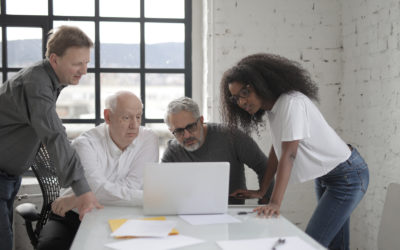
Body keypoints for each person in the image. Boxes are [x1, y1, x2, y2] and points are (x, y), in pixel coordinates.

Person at [219, 53, 369, 250]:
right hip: (328, 176)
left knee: (311, 244)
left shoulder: (291, 103)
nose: (241, 102)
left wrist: (274, 203)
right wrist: (263, 190)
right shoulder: (274, 108)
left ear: (260, 83)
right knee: (334, 245)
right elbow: (278, 148)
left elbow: (289, 155)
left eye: (245, 93)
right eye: (235, 98)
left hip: (347, 176)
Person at [0, 25, 103, 250]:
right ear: (54, 59)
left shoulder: (49, 81)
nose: (84, 70)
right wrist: (82, 190)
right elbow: (55, 134)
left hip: (9, 177)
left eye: (86, 62)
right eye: (77, 63)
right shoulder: (35, 83)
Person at [36, 91, 159, 250]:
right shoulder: (85, 144)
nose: (134, 126)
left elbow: (132, 185)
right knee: (50, 246)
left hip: (122, 214)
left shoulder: (148, 139)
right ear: (108, 117)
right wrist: (149, 198)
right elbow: (97, 189)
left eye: (138, 116)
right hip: (73, 215)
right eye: (126, 118)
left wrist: (78, 196)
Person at [162, 96, 274, 204]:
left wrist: (264, 199)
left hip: (231, 212)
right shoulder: (173, 151)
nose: (186, 135)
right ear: (171, 130)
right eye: (178, 131)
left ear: (201, 120)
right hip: (187, 213)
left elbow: (265, 167)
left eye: (191, 127)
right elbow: (162, 188)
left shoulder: (231, 136)